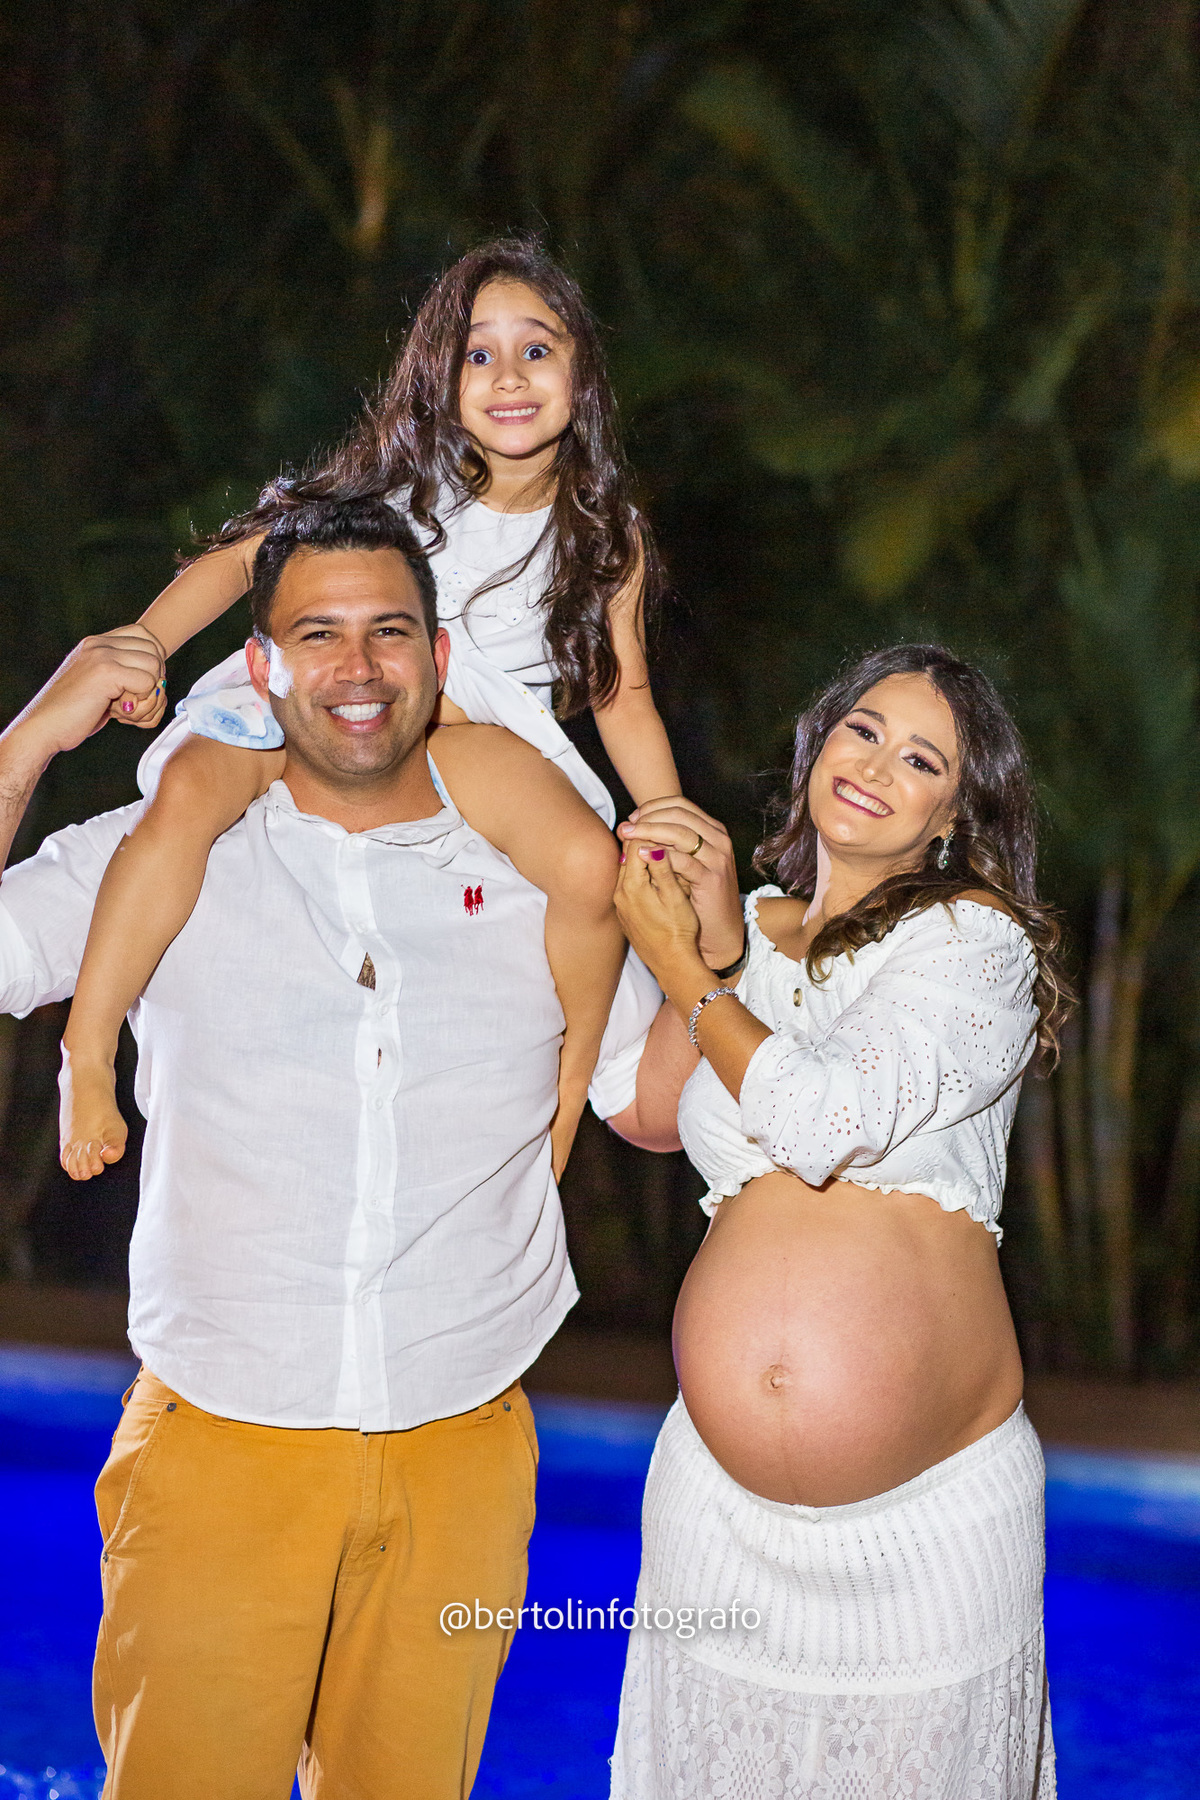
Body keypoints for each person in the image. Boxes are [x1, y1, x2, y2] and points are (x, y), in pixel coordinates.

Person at [0, 498, 658, 1800]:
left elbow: (660, 1098)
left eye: (389, 632)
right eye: (318, 634)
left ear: (440, 657)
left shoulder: (541, 865)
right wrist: (27, 742)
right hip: (220, 1441)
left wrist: (741, 936)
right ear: (261, 666)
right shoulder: (159, 856)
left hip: (463, 1445)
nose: (357, 666)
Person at [57, 235, 680, 1182]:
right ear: (438, 378)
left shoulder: (605, 532)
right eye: (477, 354)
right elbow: (240, 561)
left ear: (582, 371)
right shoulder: (398, 487)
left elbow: (620, 693)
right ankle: (91, 1043)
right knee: (188, 791)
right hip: (328, 705)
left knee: (590, 866)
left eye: (536, 349)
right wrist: (144, 641)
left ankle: (559, 1118)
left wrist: (665, 814)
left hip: (479, 735)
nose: (509, 376)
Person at [607, 644, 1069, 1799]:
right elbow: (649, 1113)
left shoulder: (974, 944)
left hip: (930, 1531)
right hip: (713, 1515)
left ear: (954, 814)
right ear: (818, 741)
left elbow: (823, 1117)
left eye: (921, 760)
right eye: (863, 730)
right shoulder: (743, 936)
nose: (875, 765)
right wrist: (715, 952)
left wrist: (685, 972)